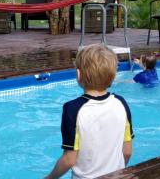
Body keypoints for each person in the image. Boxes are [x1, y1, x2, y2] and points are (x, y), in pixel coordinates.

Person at [45, 44, 134, 179]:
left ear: (78, 74)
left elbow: (69, 160)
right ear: (113, 76)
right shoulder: (121, 103)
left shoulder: (72, 109)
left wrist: (49, 178)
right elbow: (127, 152)